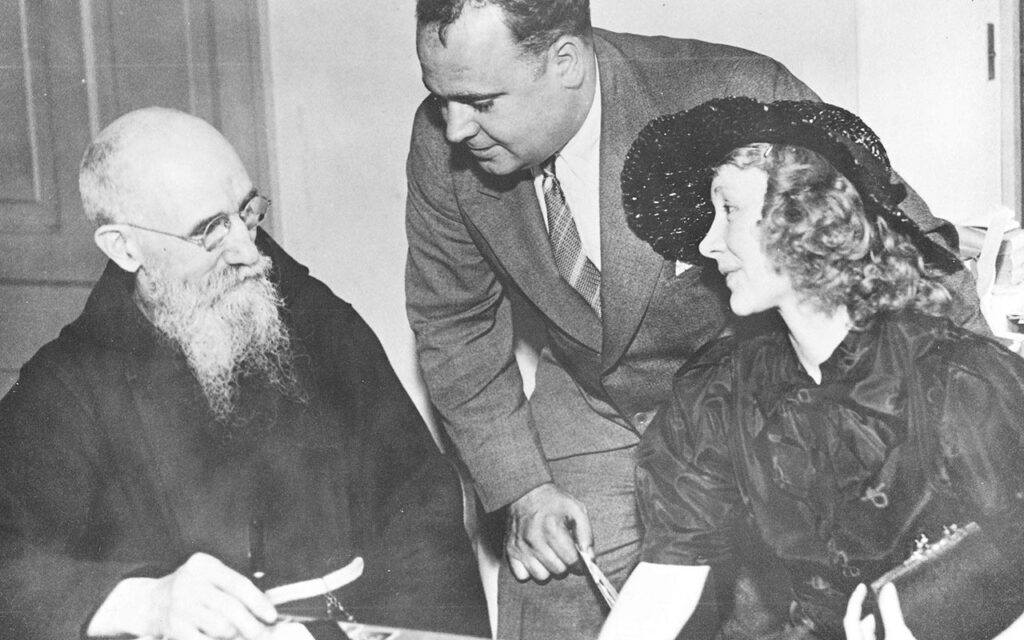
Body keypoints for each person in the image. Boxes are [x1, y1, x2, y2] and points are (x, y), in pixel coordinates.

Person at [405, 1, 987, 638]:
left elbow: (911, 249)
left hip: (761, 397)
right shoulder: (444, 141)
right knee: (551, 586)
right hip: (597, 397)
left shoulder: (730, 94)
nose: (455, 128)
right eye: (441, 97)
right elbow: (453, 321)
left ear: (565, 62)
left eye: (482, 102)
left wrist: (964, 433)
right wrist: (523, 489)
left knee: (780, 605)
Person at [0, 107, 489, 640]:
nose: (247, 251)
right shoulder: (64, 389)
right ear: (125, 247)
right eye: (210, 231)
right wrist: (140, 602)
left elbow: (419, 506)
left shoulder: (320, 321)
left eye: (247, 213)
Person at [599, 97, 1024, 640]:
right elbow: (664, 586)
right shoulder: (722, 392)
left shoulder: (961, 383)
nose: (707, 244)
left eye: (727, 211)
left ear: (803, 216)